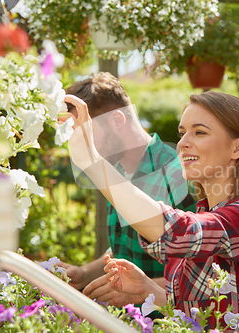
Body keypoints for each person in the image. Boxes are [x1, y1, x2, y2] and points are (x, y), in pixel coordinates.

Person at [62, 91, 239, 321]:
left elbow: (178, 231)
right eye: (182, 133)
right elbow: (199, 314)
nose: (183, 143)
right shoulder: (206, 212)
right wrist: (146, 289)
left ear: (238, 148)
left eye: (199, 132)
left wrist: (93, 162)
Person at [58, 72, 195, 307]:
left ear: (117, 120)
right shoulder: (117, 170)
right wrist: (85, 272)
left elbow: (207, 274)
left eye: (83, 129)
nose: (77, 140)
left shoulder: (179, 174)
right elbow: (128, 244)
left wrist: (141, 291)